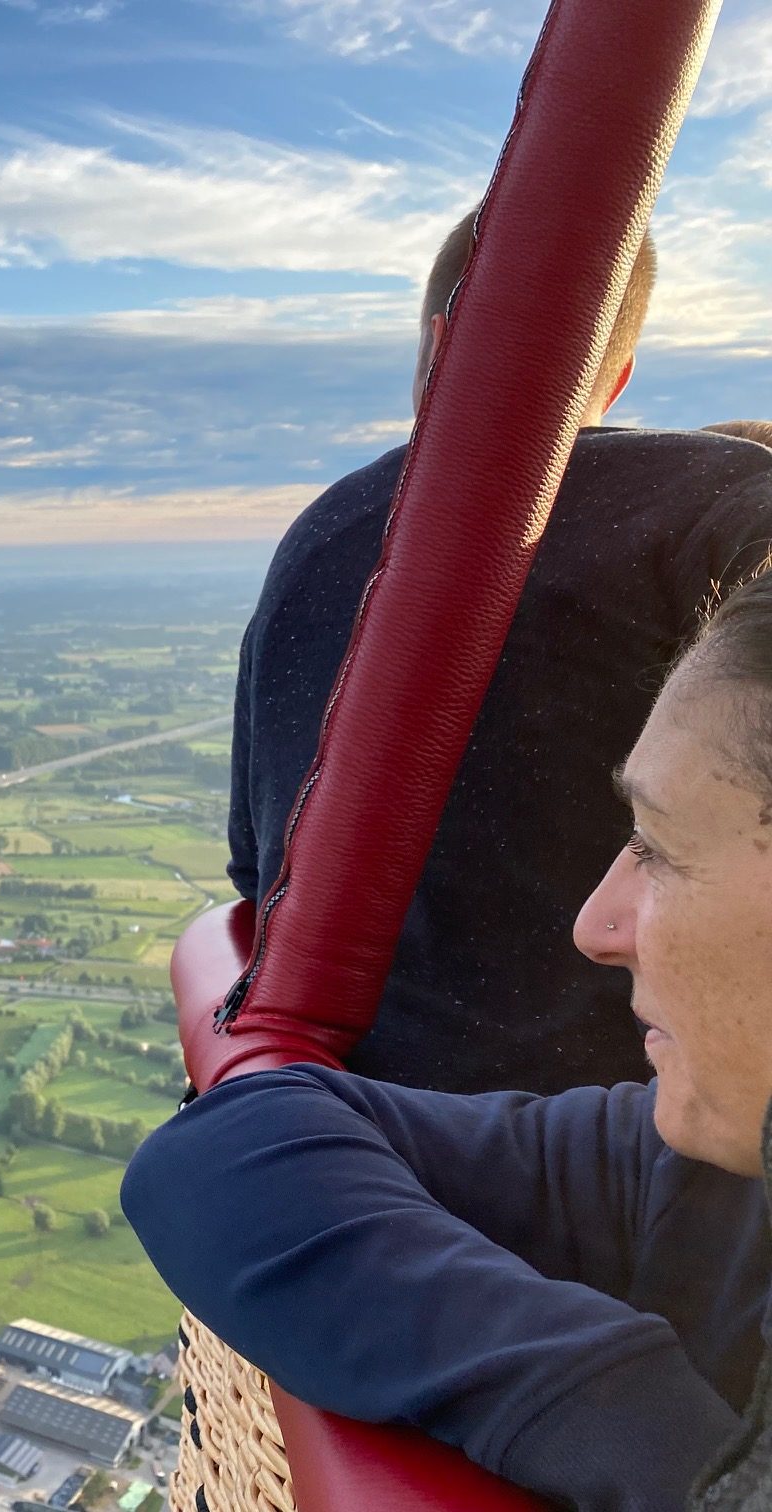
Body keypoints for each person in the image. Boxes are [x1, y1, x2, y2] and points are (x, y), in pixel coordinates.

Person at [124, 570, 772, 1511]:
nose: (597, 925)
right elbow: (223, 1152)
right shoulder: (704, 1171)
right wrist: (670, 1452)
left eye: (660, 848)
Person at [230, 211, 772, 1094]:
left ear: (441, 344)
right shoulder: (722, 500)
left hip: (356, 1129)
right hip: (652, 1146)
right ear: (621, 375)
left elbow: (259, 872)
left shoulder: (319, 535)